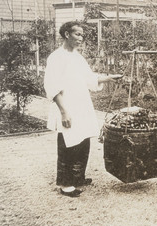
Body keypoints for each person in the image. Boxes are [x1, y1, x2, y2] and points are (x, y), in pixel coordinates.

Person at [44, 21, 122, 197]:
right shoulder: (56, 57)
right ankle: (65, 183)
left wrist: (109, 78)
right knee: (68, 143)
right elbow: (52, 86)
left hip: (81, 104)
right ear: (67, 35)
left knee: (83, 140)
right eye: (77, 34)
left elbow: (89, 78)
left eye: (82, 35)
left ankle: (78, 176)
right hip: (67, 105)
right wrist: (64, 111)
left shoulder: (78, 57)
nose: (81, 38)